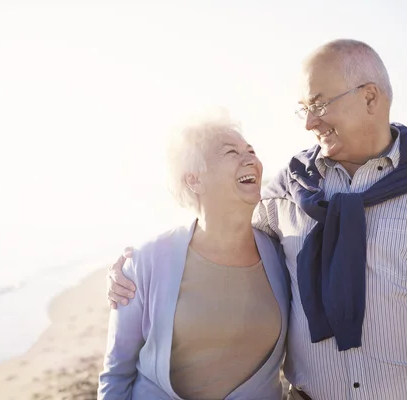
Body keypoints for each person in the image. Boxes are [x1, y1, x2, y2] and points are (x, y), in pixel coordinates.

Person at [107, 39, 407, 400]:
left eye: (317, 104)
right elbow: (217, 229)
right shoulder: (283, 191)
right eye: (304, 109)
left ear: (370, 98)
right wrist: (134, 268)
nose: (308, 123)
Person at [97, 109, 290, 399]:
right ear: (194, 180)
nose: (250, 158)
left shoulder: (283, 253)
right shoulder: (145, 262)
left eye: (251, 150)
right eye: (231, 153)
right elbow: (116, 374)